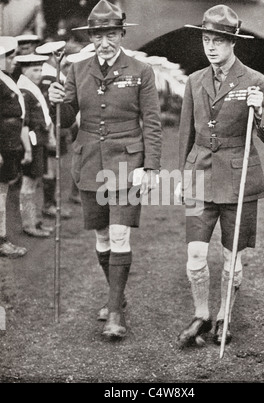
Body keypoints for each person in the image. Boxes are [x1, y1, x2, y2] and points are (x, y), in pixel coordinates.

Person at [49, 0, 162, 339]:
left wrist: (152, 167)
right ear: (91, 37)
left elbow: (152, 123)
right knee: (100, 237)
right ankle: (118, 294)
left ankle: (115, 313)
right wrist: (59, 100)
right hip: (89, 162)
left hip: (127, 163)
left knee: (119, 234)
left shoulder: (141, 70)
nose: (104, 42)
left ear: (121, 34)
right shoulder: (76, 70)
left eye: (111, 35)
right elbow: (67, 121)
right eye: (98, 36)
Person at [177, 5, 264, 348]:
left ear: (232, 43)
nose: (211, 46)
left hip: (239, 182)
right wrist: (182, 176)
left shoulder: (255, 81)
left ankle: (225, 316)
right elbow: (185, 135)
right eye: (207, 39)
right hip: (199, 177)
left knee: (231, 257)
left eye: (218, 40)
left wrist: (259, 110)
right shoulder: (194, 81)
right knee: (194, 254)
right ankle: (202, 314)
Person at [16, 54, 54, 238]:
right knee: (28, 185)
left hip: (39, 142)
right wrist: (29, 149)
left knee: (34, 183)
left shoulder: (32, 89)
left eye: (40, 69)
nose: (39, 74)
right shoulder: (24, 91)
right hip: (32, 143)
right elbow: (24, 124)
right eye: (34, 70)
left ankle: (35, 221)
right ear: (24, 70)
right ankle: (29, 224)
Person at [35, 41, 72, 219]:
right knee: (51, 167)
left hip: (58, 129)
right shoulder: (49, 77)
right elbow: (46, 109)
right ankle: (49, 205)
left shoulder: (54, 74)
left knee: (56, 167)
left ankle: (53, 204)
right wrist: (50, 133)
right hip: (51, 129)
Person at [0, 37, 28, 258]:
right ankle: (1, 241)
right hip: (2, 148)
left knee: (2, 193)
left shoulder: (5, 78)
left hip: (9, 147)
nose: (13, 61)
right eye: (8, 57)